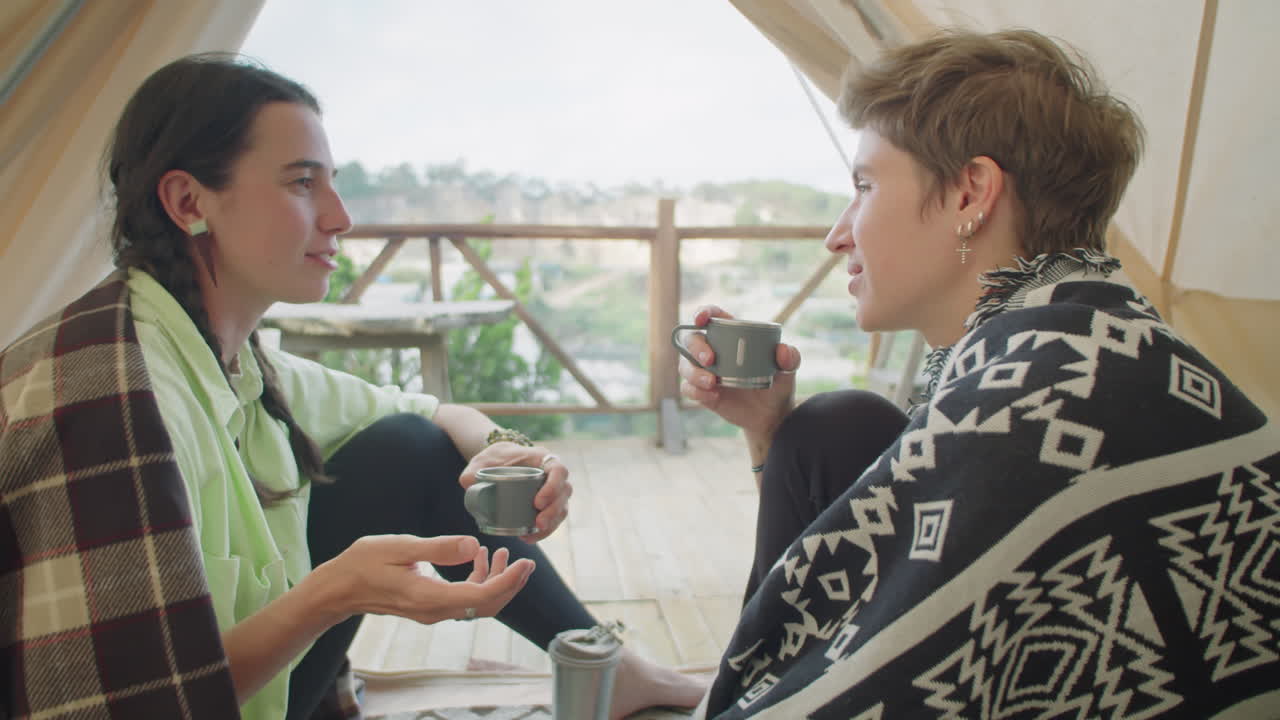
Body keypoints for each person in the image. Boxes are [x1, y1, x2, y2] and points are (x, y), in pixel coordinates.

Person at [0, 54, 704, 719]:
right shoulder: (109, 403)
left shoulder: (229, 357)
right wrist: (332, 594)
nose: (341, 216)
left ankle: (613, 673)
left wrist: (505, 448)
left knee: (407, 445)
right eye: (303, 183)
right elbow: (128, 706)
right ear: (189, 201)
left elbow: (427, 416)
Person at [679, 29, 1280, 718]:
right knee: (831, 427)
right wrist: (769, 435)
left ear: (971, 194)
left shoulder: (1024, 407)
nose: (837, 234)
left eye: (865, 186)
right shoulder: (1098, 339)